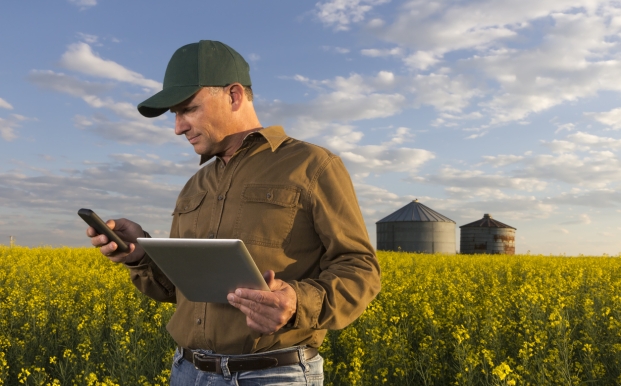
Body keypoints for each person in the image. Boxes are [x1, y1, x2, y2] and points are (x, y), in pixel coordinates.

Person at [87, 40, 381, 386]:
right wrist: (139, 253)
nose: (178, 127)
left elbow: (360, 268)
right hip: (187, 372)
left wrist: (295, 303)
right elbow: (180, 290)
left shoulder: (312, 166)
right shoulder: (195, 185)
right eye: (175, 115)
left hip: (273, 374)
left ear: (235, 96)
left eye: (188, 109)